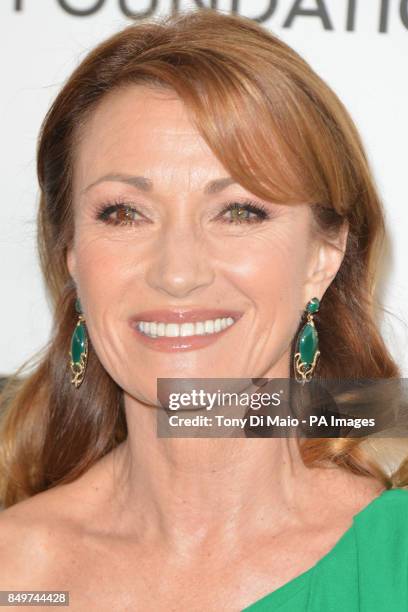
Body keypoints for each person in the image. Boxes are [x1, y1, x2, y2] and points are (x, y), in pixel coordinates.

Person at [0, 8, 407, 611]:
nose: (178, 273)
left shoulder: (392, 555)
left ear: (323, 256)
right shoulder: (18, 575)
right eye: (124, 213)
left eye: (240, 211)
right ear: (71, 256)